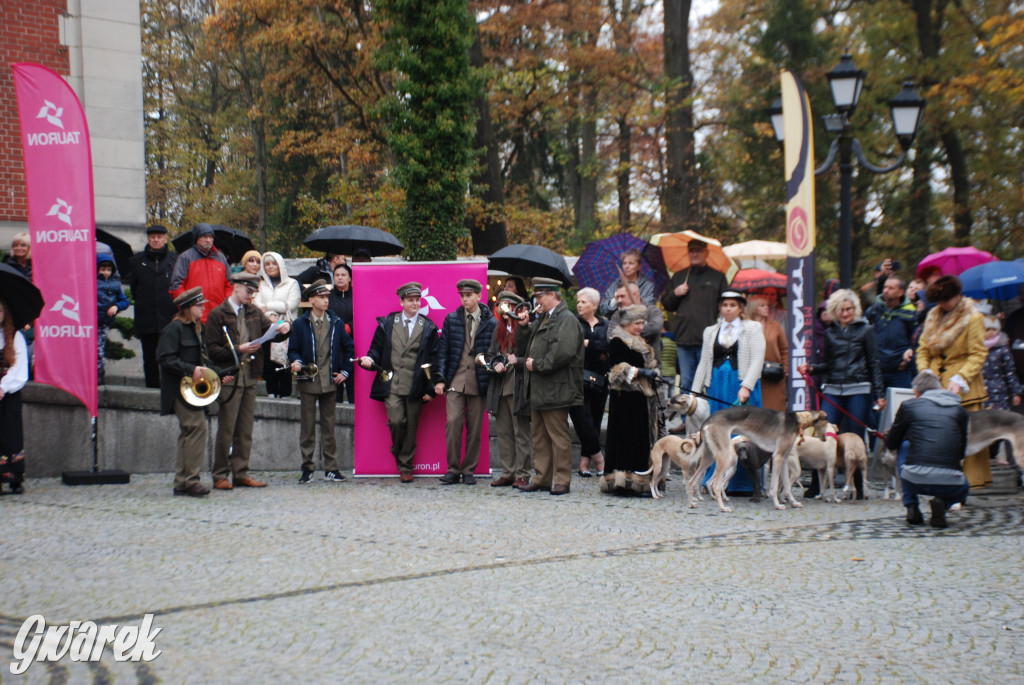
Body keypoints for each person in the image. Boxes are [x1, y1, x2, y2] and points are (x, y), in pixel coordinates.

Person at [207, 273, 291, 490]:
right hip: (230, 377)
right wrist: (239, 349)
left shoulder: (254, 311)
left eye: (254, 292)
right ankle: (220, 474)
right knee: (227, 429)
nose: (251, 296)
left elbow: (270, 333)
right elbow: (212, 350)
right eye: (248, 291)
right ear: (236, 287)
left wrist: (282, 329)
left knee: (245, 429)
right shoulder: (218, 313)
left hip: (250, 375)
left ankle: (241, 472)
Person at [799, 288, 885, 499]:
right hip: (834, 387)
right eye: (841, 310)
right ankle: (817, 484)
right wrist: (812, 369)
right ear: (834, 311)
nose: (846, 313)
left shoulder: (866, 330)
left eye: (849, 309)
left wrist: (879, 394)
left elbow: (874, 363)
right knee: (823, 433)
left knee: (855, 436)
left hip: (859, 387)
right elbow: (828, 364)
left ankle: (857, 485)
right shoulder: (830, 333)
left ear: (855, 309)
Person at [358, 282, 440, 482]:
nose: (415, 303)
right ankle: (399, 453)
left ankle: (406, 467)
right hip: (391, 384)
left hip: (415, 385)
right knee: (396, 421)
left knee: (411, 427)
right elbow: (377, 348)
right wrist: (370, 359)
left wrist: (431, 388)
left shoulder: (428, 327)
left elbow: (434, 359)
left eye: (417, 300)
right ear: (401, 301)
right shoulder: (388, 323)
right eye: (410, 300)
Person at [916, 275, 989, 488]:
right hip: (936, 383)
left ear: (958, 296)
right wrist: (925, 374)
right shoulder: (932, 316)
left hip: (963, 385)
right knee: (941, 436)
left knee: (970, 437)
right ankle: (943, 483)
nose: (944, 304)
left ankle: (967, 486)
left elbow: (978, 354)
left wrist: (962, 377)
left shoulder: (973, 317)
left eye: (948, 299)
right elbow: (923, 350)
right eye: (940, 301)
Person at [515, 277, 584, 495]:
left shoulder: (566, 319)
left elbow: (562, 353)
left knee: (558, 436)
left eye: (539, 296)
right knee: (539, 437)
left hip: (556, 387)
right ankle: (542, 478)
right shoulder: (545, 318)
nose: (537, 301)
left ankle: (562, 480)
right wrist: (525, 327)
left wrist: (537, 365)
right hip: (539, 388)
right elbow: (527, 346)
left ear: (553, 295)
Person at [884, 370, 969, 528]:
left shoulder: (908, 406)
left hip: (914, 479)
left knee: (905, 445)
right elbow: (962, 450)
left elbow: (891, 443)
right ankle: (943, 502)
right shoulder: (960, 411)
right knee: (965, 487)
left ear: (916, 392)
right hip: (951, 482)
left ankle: (912, 507)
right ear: (940, 388)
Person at [289, 280, 354, 484]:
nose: (326, 301)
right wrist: (296, 361)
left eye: (327, 297)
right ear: (311, 300)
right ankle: (308, 468)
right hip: (309, 380)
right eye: (322, 297)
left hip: (330, 381)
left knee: (329, 427)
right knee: (307, 427)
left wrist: (344, 371)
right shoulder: (300, 324)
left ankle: (331, 468)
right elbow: (293, 349)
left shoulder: (335, 322)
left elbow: (349, 348)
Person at [157, 287, 219, 497]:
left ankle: (183, 481)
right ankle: (190, 480)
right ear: (187, 308)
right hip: (180, 390)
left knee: (190, 432)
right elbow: (165, 359)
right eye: (199, 305)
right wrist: (190, 369)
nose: (203, 308)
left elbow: (203, 360)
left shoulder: (196, 328)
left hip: (191, 390)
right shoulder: (174, 329)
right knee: (196, 428)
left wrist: (219, 373)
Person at [435, 279, 496, 485]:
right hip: (456, 379)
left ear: (479, 296)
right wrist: (440, 379)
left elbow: (494, 353)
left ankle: (469, 469)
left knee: (475, 428)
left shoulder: (492, 322)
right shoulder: (451, 319)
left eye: (469, 295)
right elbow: (443, 351)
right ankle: (453, 468)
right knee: (453, 424)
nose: (465, 299)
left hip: (479, 382)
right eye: (462, 295)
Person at [601, 304, 661, 494]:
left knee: (639, 439)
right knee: (625, 439)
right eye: (637, 323)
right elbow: (615, 371)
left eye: (642, 323)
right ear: (626, 323)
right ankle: (622, 481)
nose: (641, 327)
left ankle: (639, 479)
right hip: (624, 399)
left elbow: (650, 365)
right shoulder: (618, 341)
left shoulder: (641, 342)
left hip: (640, 399)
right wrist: (638, 371)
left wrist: (652, 373)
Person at [661, 238, 728, 400]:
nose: (695, 254)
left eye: (698, 250)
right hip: (684, 338)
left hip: (709, 339)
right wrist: (675, 293)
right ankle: (686, 423)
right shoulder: (679, 276)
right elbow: (667, 304)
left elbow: (725, 306)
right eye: (692, 251)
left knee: (706, 381)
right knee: (686, 381)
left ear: (706, 253)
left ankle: (706, 421)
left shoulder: (718, 277)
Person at [484, 291, 533, 488]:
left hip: (518, 385)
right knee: (503, 432)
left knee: (520, 432)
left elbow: (530, 354)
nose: (505, 309)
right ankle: (508, 472)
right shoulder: (498, 330)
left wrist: (518, 360)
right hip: (500, 386)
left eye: (509, 305)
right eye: (502, 304)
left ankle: (523, 473)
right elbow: (489, 355)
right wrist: (495, 363)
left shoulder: (526, 328)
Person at [130, 224, 178, 388]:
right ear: (148, 238)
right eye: (153, 237)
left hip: (169, 317)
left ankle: (169, 387)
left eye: (160, 237)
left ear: (165, 238)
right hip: (147, 317)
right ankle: (151, 387)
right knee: (149, 357)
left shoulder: (175, 260)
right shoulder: (137, 261)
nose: (156, 240)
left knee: (169, 355)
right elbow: (134, 288)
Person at [569, 287, 608, 477]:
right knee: (582, 420)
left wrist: (588, 344)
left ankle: (584, 463)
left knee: (595, 420)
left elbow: (608, 346)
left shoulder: (605, 325)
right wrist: (596, 348)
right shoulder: (574, 323)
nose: (579, 305)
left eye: (583, 302)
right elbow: (573, 344)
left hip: (601, 380)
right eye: (578, 302)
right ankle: (600, 460)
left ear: (594, 305)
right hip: (577, 379)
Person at [255, 251, 300, 398]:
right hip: (267, 327)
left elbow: (290, 305)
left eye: (274, 263)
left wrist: (268, 307)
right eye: (267, 264)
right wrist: (270, 315)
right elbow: (257, 304)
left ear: (280, 265)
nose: (270, 266)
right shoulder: (261, 285)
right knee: (268, 361)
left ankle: (286, 394)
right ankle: (271, 392)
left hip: (286, 328)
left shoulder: (292, 284)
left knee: (284, 362)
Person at [169, 223, 233, 324]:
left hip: (218, 316)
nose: (208, 240)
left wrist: (225, 304)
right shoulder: (185, 257)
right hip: (193, 318)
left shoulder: (221, 258)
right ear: (196, 239)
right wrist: (188, 308)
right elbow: (176, 287)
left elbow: (230, 284)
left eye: (211, 236)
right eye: (204, 236)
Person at [865, 277, 919, 391]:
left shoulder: (910, 313)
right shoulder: (875, 309)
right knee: (877, 406)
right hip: (877, 369)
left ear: (900, 292)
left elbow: (915, 339)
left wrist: (906, 360)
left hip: (899, 370)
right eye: (885, 287)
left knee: (899, 406)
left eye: (891, 288)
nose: (886, 290)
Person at [0, 297, 29, 494]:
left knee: (11, 434)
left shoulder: (15, 336)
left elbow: (20, 368)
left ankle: (15, 477)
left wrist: (4, 386)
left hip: (9, 394)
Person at [747, 293, 788, 411]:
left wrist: (785, 370)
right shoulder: (746, 327)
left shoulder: (775, 326)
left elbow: (785, 350)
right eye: (762, 305)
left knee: (775, 411)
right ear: (754, 309)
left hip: (773, 374)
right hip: (754, 376)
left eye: (768, 305)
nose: (767, 307)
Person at [96, 255, 130, 385]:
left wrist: (116, 306)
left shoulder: (115, 285)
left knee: (99, 347)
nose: (106, 272)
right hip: (91, 321)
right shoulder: (91, 282)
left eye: (108, 270)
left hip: (105, 321)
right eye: (103, 269)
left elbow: (124, 301)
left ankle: (99, 372)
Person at [327, 262, 355, 403]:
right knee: (334, 390)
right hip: (333, 346)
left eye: (343, 275)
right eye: (337, 275)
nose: (340, 278)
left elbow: (363, 317)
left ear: (350, 278)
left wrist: (350, 327)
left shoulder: (357, 295)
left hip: (353, 345)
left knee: (354, 389)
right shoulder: (328, 296)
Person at [599, 248, 657, 316]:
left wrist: (634, 297)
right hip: (617, 323)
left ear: (639, 266)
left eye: (631, 263)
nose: (626, 266)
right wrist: (615, 300)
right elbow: (603, 309)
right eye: (624, 263)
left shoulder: (648, 286)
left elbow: (649, 307)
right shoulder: (615, 285)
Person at [982, 317, 1022, 412]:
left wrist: (1016, 393)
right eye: (987, 330)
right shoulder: (977, 348)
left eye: (994, 329)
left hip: (999, 392)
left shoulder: (1003, 349)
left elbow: (1010, 372)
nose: (991, 332)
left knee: (1001, 419)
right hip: (981, 391)